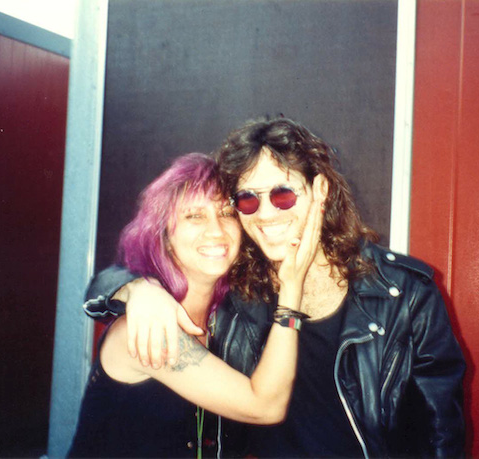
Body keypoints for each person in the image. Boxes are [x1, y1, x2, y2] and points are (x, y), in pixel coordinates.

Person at [84, 118, 466, 457]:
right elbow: (134, 271)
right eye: (247, 200)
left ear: (320, 190)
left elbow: (439, 434)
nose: (266, 213)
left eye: (283, 194)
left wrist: (134, 289)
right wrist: (136, 288)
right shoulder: (239, 290)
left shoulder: (403, 293)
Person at [70, 152, 324, 457]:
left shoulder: (232, 318)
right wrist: (292, 288)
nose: (216, 231)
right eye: (195, 216)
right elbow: (265, 407)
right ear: (164, 234)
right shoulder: (145, 326)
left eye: (226, 213)